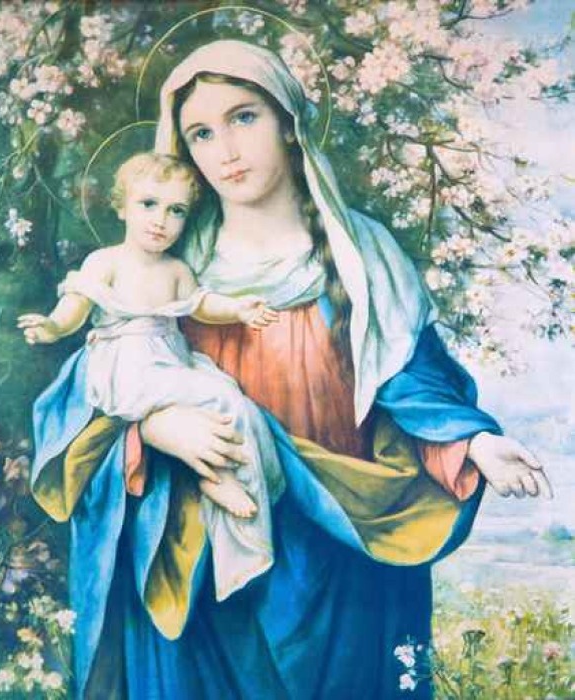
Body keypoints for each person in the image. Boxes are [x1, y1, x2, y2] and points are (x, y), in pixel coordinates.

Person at [28, 40, 552, 700]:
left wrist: (473, 442)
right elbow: (97, 388)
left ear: (287, 122)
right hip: (204, 560)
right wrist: (152, 430)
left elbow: (409, 381)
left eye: (243, 117)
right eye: (201, 133)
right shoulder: (171, 270)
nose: (225, 149)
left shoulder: (361, 254)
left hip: (341, 539)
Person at [20, 151, 285, 602]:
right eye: (148, 204)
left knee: (233, 402)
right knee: (214, 399)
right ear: (122, 207)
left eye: (175, 210)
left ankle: (231, 492)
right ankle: (216, 478)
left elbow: (202, 306)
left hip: (169, 360)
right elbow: (74, 310)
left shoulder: (177, 270)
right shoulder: (105, 262)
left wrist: (239, 309)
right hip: (127, 366)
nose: (161, 220)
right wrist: (51, 327)